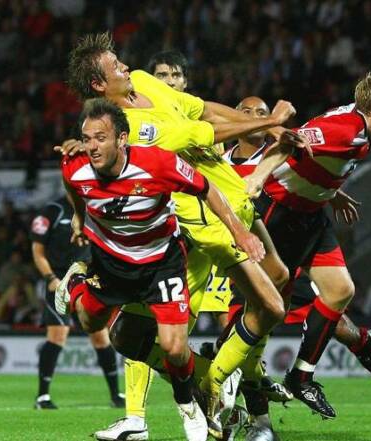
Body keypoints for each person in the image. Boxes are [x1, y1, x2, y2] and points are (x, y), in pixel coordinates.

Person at [78, 47, 294, 440]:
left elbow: (203, 111)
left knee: (270, 295)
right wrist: (267, 122)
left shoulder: (143, 81)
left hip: (231, 202)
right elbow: (202, 134)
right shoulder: (132, 127)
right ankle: (209, 389)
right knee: (267, 304)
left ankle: (213, 388)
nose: (126, 65)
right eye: (115, 66)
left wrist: (268, 127)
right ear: (98, 84)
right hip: (195, 219)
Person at [56, 98, 265, 441]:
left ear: (122, 139)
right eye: (87, 138)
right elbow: (72, 186)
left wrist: (239, 232)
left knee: (173, 347)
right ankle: (78, 278)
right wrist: (79, 216)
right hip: (112, 264)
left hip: (161, 263)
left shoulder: (157, 164)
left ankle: (187, 405)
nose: (92, 147)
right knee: (90, 322)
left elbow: (208, 188)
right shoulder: (74, 166)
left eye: (101, 138)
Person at [226, 95, 371, 439]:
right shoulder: (225, 162)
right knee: (249, 325)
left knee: (342, 298)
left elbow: (299, 150)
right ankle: (256, 423)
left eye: (261, 114)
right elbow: (293, 145)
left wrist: (329, 190)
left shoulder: (358, 133)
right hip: (273, 224)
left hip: (308, 220)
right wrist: (259, 178)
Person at [30, 195, 124, 409]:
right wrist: (51, 279)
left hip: (86, 278)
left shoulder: (95, 208)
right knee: (57, 335)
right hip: (59, 281)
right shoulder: (53, 211)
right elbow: (38, 251)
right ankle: (42, 396)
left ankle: (116, 395)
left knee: (100, 337)